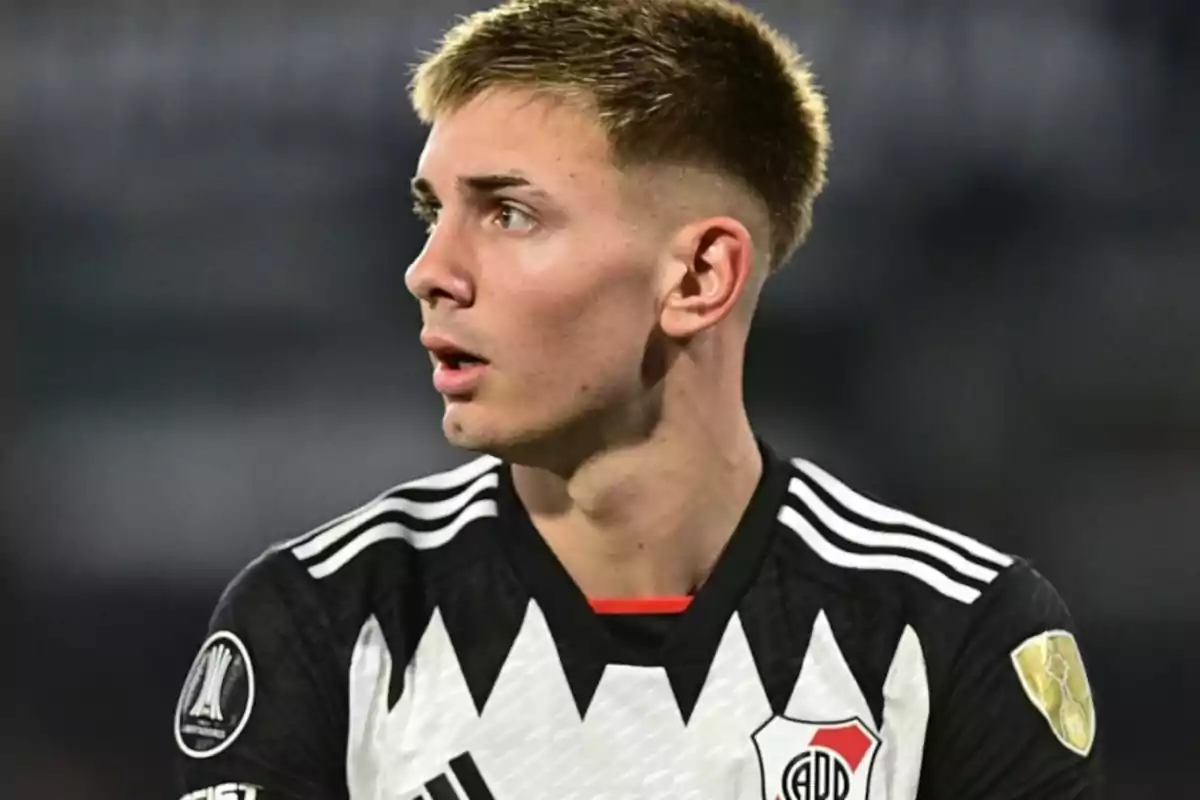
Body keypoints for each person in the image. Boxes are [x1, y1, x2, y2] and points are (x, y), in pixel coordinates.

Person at [172, 1, 1102, 798]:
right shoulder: (326, 619)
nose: (429, 271)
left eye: (508, 213)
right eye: (433, 212)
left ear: (699, 275)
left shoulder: (954, 635)